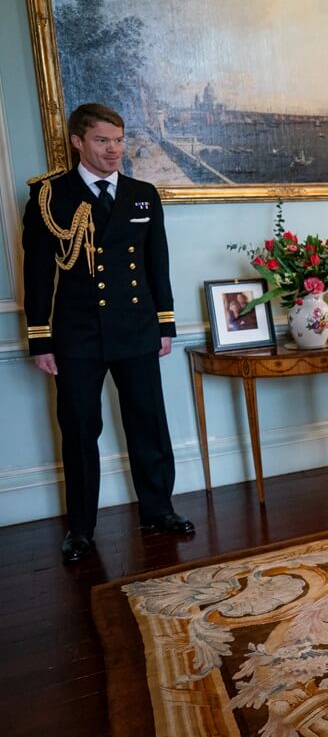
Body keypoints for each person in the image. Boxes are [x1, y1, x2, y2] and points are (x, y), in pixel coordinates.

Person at [22, 103, 193, 563]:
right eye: (102, 141)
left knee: (148, 423)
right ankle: (80, 528)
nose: (114, 149)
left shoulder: (142, 194)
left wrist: (165, 325)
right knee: (79, 431)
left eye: (118, 140)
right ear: (78, 141)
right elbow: (37, 275)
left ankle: (158, 510)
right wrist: (40, 339)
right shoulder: (50, 197)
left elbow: (158, 264)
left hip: (136, 329)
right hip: (76, 336)